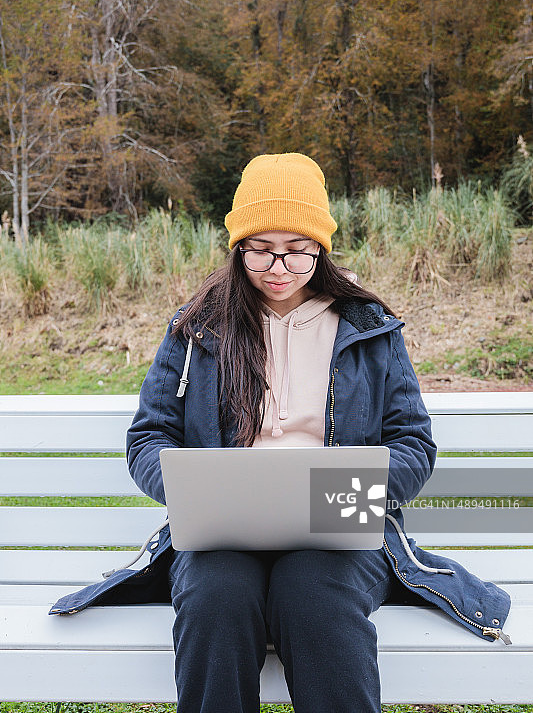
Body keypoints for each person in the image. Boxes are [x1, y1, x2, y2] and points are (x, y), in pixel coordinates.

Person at [49, 152, 512, 713]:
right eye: (260, 249)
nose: (278, 267)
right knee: (215, 596)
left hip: (335, 527)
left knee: (314, 597)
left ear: (322, 248)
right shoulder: (197, 328)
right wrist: (194, 488)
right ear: (237, 247)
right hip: (223, 532)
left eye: (297, 250)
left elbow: (413, 443)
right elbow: (149, 436)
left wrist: (356, 488)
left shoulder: (368, 328)